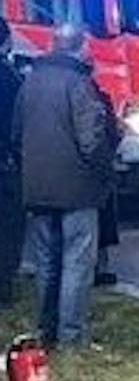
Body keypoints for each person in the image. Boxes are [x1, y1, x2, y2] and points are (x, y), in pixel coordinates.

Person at [11, 21, 115, 349]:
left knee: (47, 262)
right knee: (76, 263)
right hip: (77, 188)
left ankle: (46, 332)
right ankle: (71, 338)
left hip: (38, 186)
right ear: (79, 46)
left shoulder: (30, 81)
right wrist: (105, 169)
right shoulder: (79, 83)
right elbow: (91, 140)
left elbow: (16, 134)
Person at [0, 18, 25, 310]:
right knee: (8, 226)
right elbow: (19, 123)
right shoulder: (11, 78)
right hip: (5, 163)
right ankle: (4, 286)